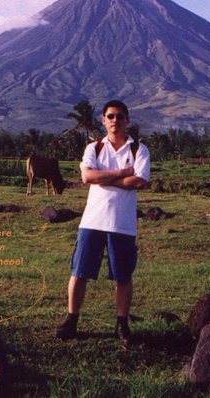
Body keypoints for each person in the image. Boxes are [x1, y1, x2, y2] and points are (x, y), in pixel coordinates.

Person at [54, 100, 150, 343]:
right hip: (92, 221)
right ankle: (71, 321)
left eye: (120, 116)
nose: (115, 120)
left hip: (123, 224)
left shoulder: (139, 149)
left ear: (127, 120)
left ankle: (121, 325)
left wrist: (102, 178)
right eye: (111, 116)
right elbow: (87, 176)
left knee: (123, 276)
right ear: (103, 120)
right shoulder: (93, 148)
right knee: (79, 272)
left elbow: (139, 182)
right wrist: (122, 173)